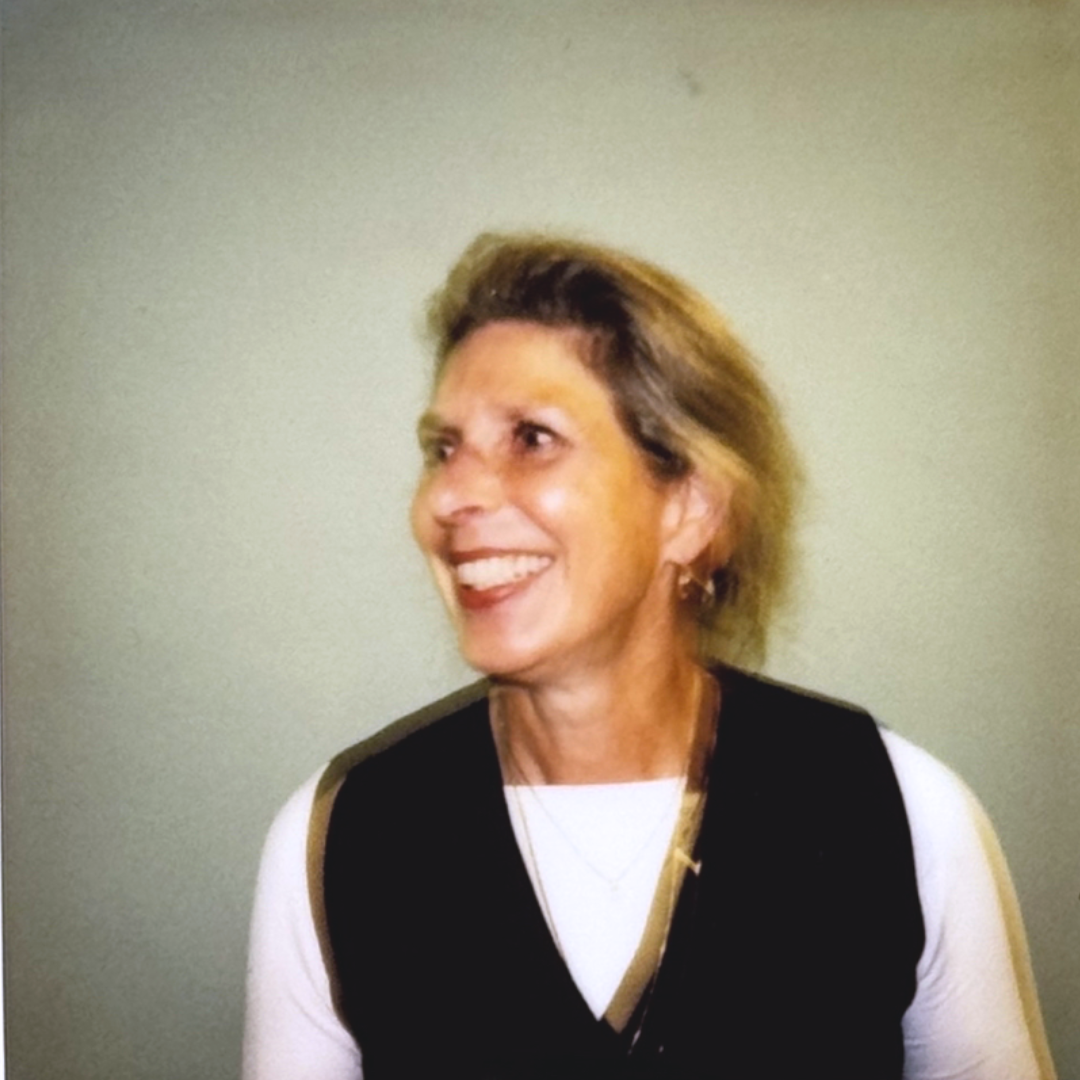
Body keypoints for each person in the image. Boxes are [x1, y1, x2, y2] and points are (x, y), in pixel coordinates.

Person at [243, 234, 1057, 1079]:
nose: (451, 496)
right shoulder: (343, 838)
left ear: (692, 509)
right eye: (442, 450)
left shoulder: (898, 814)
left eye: (531, 437)